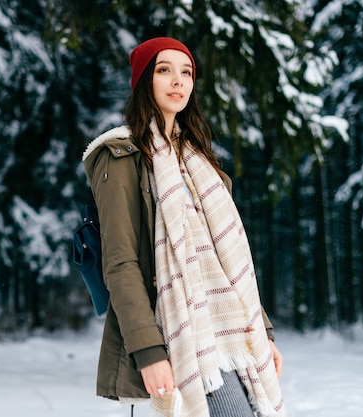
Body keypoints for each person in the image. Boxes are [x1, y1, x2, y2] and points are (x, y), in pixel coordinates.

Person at [82, 37, 286, 417]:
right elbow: (121, 263)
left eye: (187, 72)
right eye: (164, 70)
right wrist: (148, 352)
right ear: (145, 80)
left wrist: (263, 332)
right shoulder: (121, 157)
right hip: (180, 334)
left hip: (232, 331)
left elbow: (231, 263)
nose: (178, 81)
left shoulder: (201, 165)